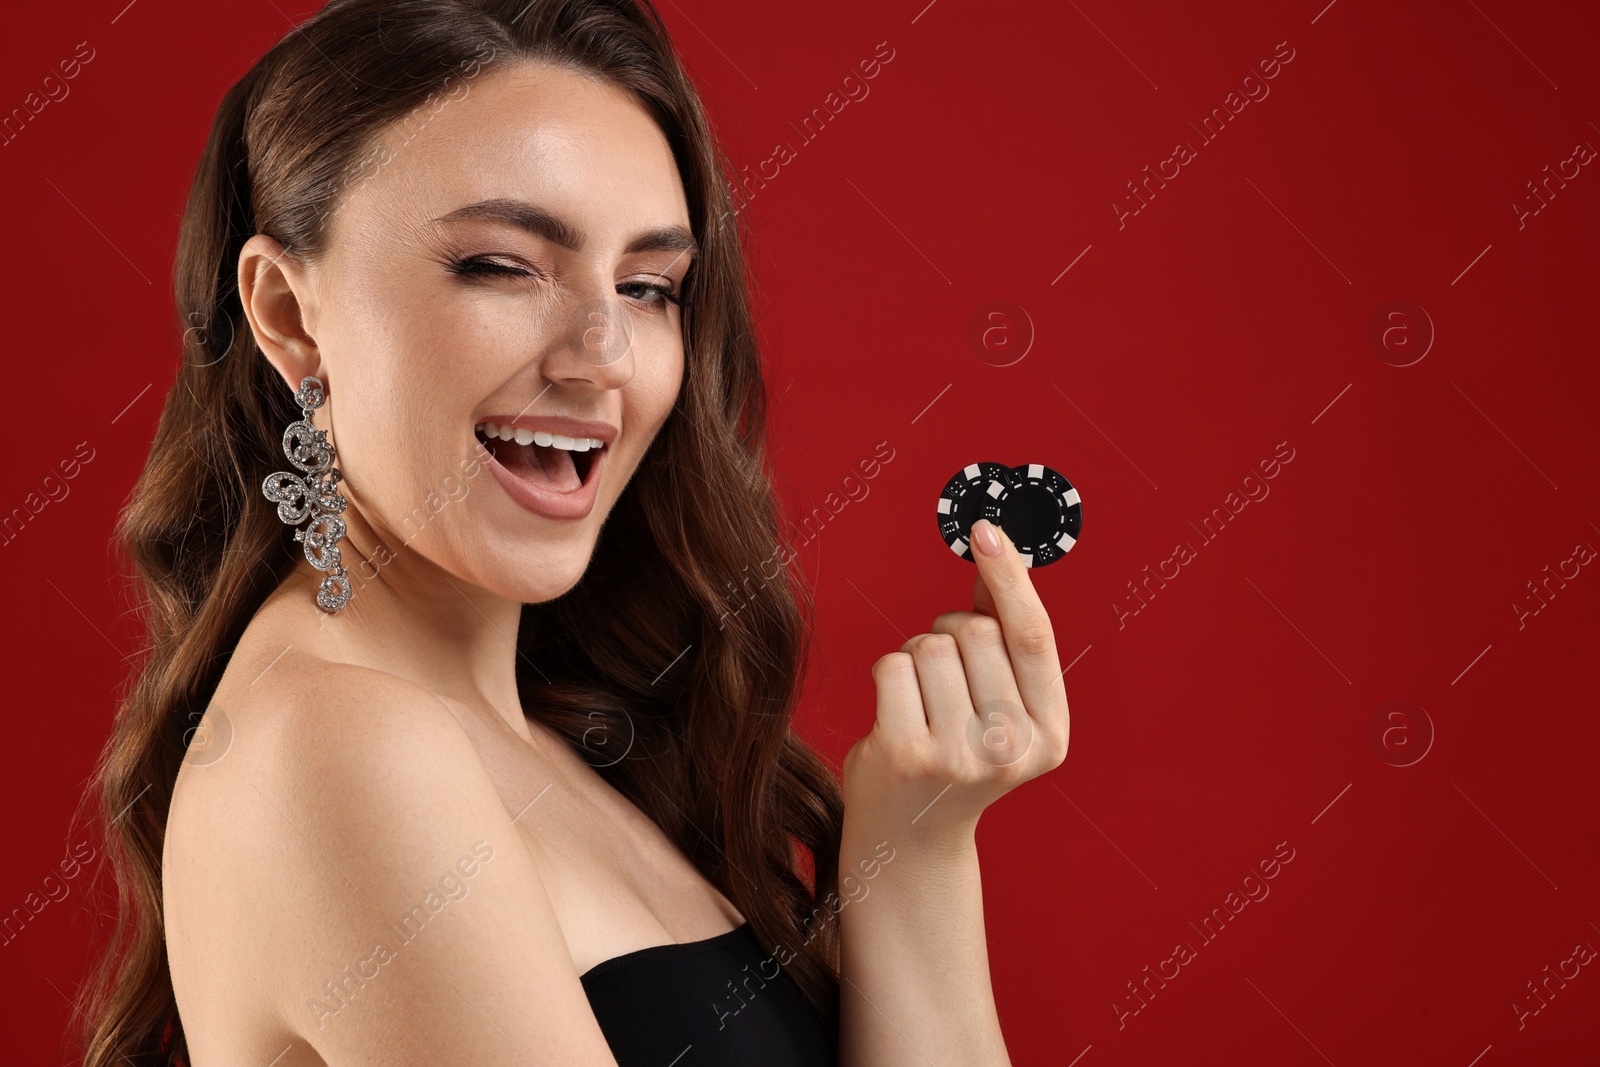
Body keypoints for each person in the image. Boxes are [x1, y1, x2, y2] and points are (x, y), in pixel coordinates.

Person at [70, 1, 1069, 1064]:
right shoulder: (342, 746)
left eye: (648, 288)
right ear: (286, 312)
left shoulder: (577, 741)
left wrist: (914, 850)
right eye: (503, 266)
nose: (603, 353)